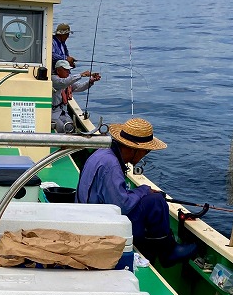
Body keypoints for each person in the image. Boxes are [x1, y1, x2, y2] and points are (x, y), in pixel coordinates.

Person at [76, 118, 198, 267]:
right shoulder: (112, 166)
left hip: (87, 216)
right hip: (100, 228)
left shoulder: (102, 152)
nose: (144, 156)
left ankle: (159, 247)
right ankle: (167, 253)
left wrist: (141, 192)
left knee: (149, 198)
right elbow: (122, 206)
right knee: (156, 201)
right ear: (134, 149)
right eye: (145, 151)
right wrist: (144, 190)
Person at [51, 59, 100, 133]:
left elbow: (79, 87)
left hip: (63, 112)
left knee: (71, 126)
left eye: (68, 70)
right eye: (66, 70)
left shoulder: (67, 81)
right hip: (53, 113)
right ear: (58, 71)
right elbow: (64, 83)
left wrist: (90, 81)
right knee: (61, 128)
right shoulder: (54, 79)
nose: (68, 72)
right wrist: (81, 75)